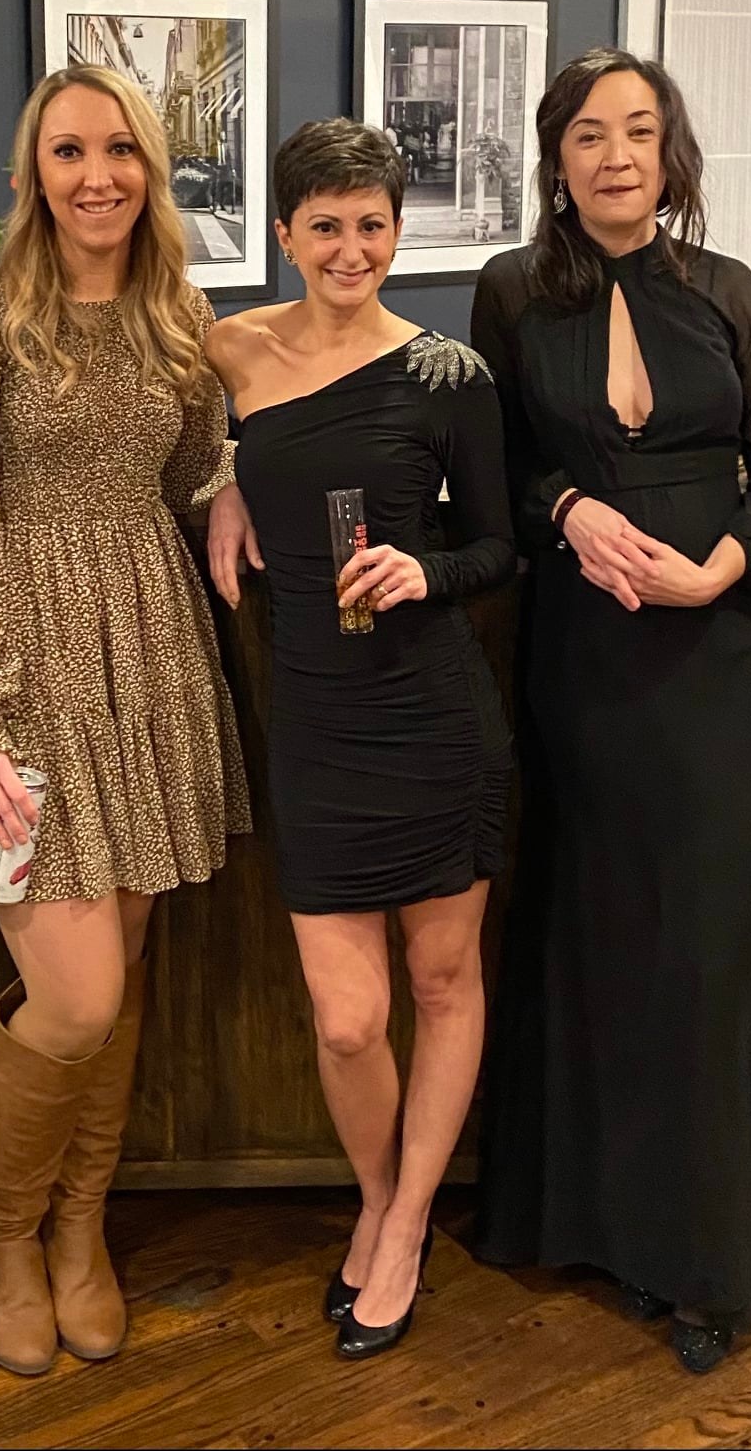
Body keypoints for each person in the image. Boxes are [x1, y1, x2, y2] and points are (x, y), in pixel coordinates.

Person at [471, 48, 751, 1374]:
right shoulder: (510, 292)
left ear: (669, 155)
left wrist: (723, 565)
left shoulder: (726, 289)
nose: (614, 154)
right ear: (556, 160)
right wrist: (568, 508)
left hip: (720, 659)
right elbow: (497, 467)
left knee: (710, 950)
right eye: (587, 134)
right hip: (587, 658)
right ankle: (599, 1224)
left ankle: (712, 1257)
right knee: (603, 937)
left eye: (637, 130)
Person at [0, 64, 252, 1378]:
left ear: (150, 166)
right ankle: (4, 1240)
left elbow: (192, 467)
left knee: (124, 975)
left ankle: (79, 1233)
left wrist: (232, 488)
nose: (95, 174)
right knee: (77, 993)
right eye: (67, 151)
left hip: (148, 657)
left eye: (118, 149)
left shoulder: (176, 311)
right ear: (31, 172)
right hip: (22, 671)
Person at [204, 118, 514, 1360]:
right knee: (345, 1019)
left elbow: (497, 545)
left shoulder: (447, 375)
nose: (350, 249)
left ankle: (403, 1222)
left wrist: (426, 572)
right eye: (324, 226)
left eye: (372, 225)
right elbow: (178, 443)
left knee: (441, 983)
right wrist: (222, 485)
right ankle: (379, 1194)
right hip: (314, 721)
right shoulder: (231, 348)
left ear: (398, 230)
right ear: (284, 232)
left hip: (431, 713)